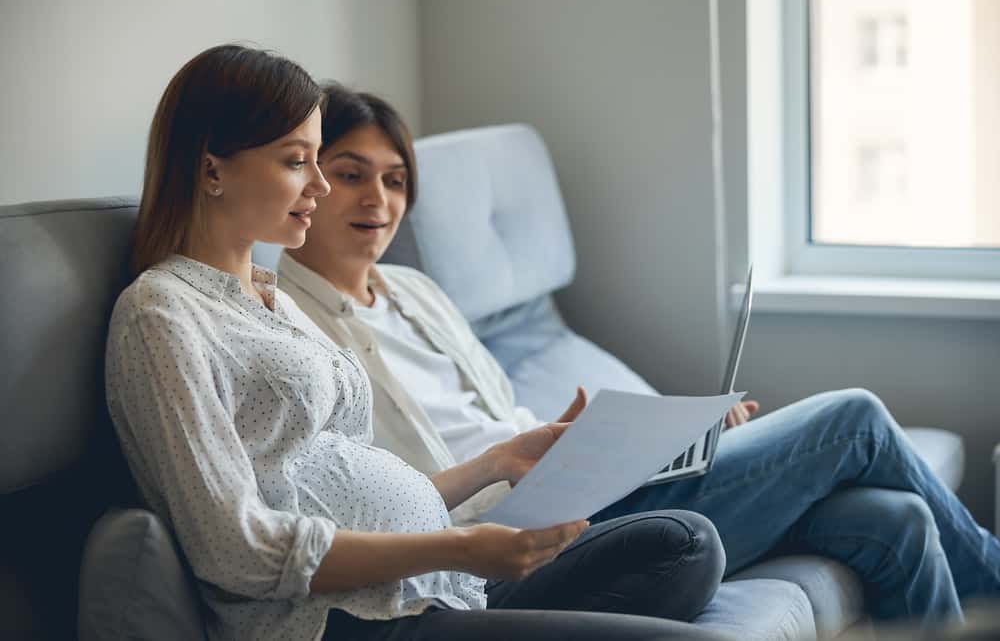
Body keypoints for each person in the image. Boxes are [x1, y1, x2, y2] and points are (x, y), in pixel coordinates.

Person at [280, 82, 1000, 629]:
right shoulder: (292, 328)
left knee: (892, 519)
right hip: (498, 542)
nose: (378, 196)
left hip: (576, 488)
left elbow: (501, 416)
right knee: (854, 419)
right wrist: (515, 468)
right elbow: (371, 498)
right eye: (351, 173)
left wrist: (614, 439)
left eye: (396, 178)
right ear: (308, 183)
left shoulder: (416, 292)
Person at [104, 45, 729, 641]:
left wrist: (495, 464)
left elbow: (341, 478)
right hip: (341, 622)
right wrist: (459, 545)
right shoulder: (161, 313)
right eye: (299, 161)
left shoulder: (270, 298)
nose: (318, 186)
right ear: (212, 168)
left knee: (682, 543)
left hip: (429, 583)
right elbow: (232, 549)